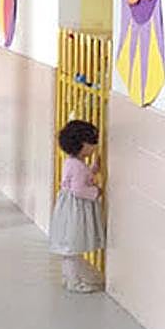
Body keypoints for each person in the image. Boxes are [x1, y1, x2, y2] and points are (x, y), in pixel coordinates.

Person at [50, 120, 105, 292]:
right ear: (82, 144)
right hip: (76, 209)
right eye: (92, 143)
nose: (94, 146)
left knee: (70, 248)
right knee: (73, 247)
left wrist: (93, 170)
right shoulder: (79, 166)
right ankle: (74, 282)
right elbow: (79, 189)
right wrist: (96, 191)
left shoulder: (71, 162)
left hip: (67, 207)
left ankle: (70, 279)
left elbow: (80, 177)